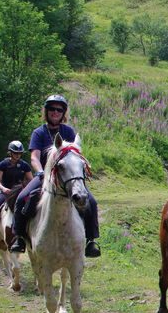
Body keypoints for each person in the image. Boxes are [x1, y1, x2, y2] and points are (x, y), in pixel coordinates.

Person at [9, 94, 101, 258]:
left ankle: (91, 241)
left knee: (91, 202)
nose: (55, 112)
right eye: (52, 108)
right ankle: (19, 238)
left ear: (63, 112)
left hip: (66, 176)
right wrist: (40, 171)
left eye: (59, 109)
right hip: (45, 176)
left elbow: (75, 156)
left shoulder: (68, 131)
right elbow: (34, 157)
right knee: (22, 198)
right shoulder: (39, 133)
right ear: (46, 111)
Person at [0, 140, 33, 243]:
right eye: (15, 153)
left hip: (20, 193)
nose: (18, 155)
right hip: (6, 192)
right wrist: (3, 189)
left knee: (31, 209)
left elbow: (31, 180)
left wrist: (26, 189)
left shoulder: (24, 165)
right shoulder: (2, 165)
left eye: (19, 153)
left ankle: (27, 232)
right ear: (10, 152)